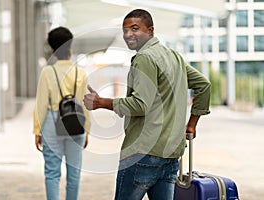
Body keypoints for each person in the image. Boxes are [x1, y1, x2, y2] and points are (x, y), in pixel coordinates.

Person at [83, 9, 211, 200]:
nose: (128, 35)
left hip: (142, 153)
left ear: (150, 30)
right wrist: (192, 123)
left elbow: (140, 105)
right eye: (125, 30)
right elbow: (204, 85)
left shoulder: (144, 58)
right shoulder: (173, 56)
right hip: (170, 155)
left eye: (135, 29)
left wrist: (102, 102)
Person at [33, 26, 91, 200]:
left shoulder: (47, 72)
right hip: (76, 120)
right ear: (70, 48)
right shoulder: (80, 72)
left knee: (52, 172)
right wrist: (86, 129)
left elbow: (41, 104)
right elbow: (85, 103)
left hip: (51, 121)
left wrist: (37, 130)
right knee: (74, 173)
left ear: (53, 50)